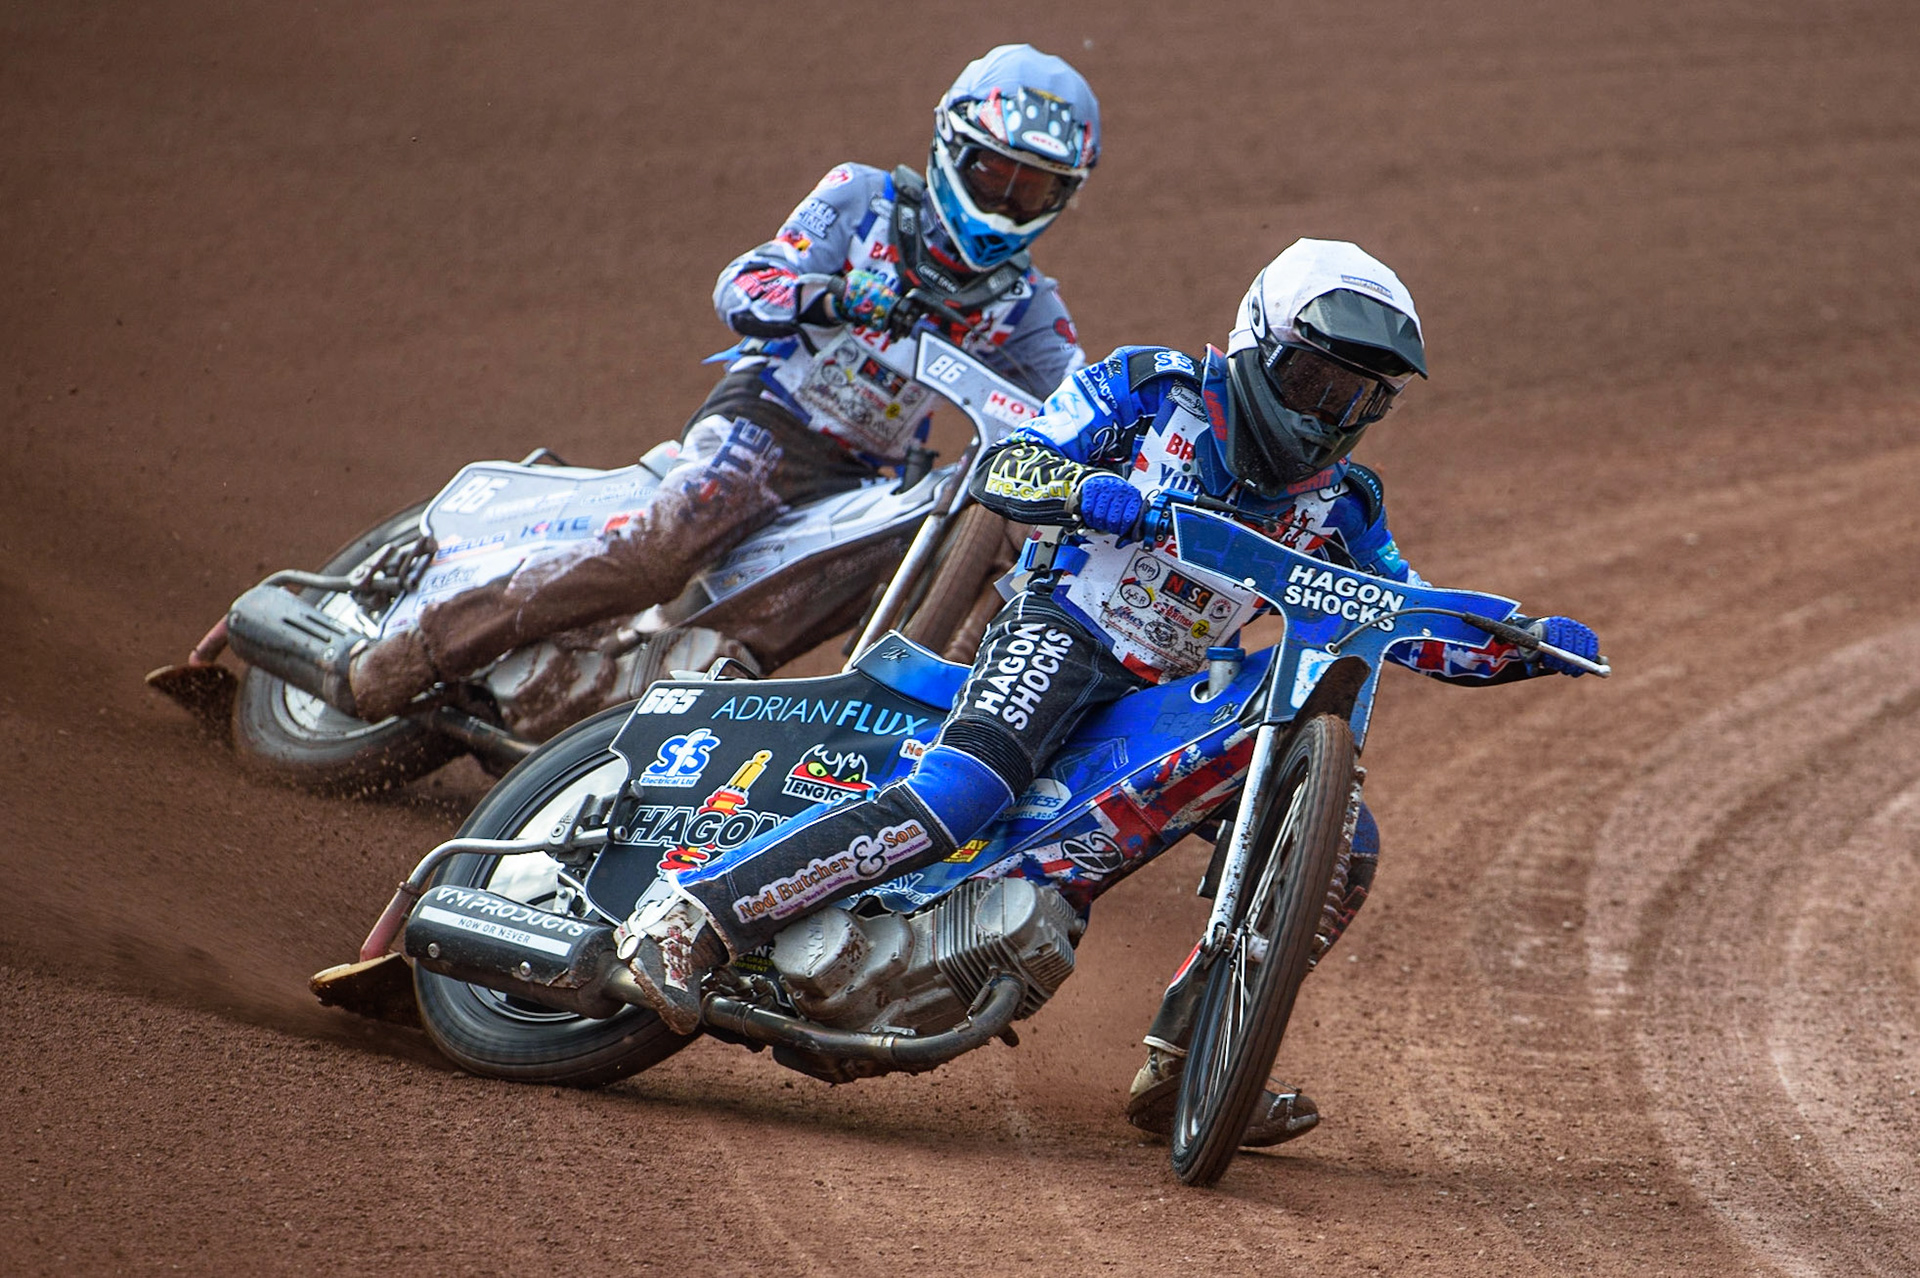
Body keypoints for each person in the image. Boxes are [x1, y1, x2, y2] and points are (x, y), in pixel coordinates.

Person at [615, 239, 1602, 1147]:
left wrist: (1517, 643)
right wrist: (1082, 490)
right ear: (1259, 344)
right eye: (1314, 383)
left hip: (1167, 690)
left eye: (1360, 402)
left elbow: (1399, 610)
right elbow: (1013, 459)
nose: (1328, 417)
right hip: (1063, 632)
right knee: (965, 794)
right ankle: (695, 918)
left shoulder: (1344, 504)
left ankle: (1191, 1064)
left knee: (1346, 843)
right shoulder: (1152, 388)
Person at [340, 44, 1100, 724]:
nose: (1005, 202)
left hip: (864, 477)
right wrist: (827, 297)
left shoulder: (1030, 308)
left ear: (1061, 199)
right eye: (994, 173)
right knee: (661, 556)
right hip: (767, 422)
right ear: (951, 148)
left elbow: (1080, 403)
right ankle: (410, 655)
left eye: (1031, 190)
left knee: (771, 628)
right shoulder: (863, 199)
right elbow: (744, 283)